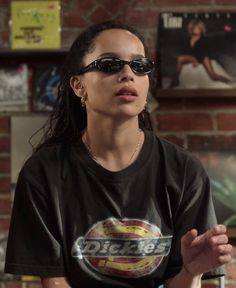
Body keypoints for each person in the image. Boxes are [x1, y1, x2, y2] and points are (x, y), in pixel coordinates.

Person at [4, 21, 232, 288]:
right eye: (109, 65)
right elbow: (55, 282)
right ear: (78, 86)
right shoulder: (44, 172)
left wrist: (191, 272)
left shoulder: (183, 170)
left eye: (139, 65)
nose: (127, 73)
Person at [170, 19, 231, 88]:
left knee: (213, 76)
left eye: (198, 28)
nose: (196, 30)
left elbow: (205, 52)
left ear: (201, 29)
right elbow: (187, 51)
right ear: (192, 29)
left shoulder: (203, 40)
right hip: (193, 57)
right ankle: (175, 81)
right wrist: (193, 60)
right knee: (180, 59)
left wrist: (198, 62)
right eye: (195, 28)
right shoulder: (188, 39)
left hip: (204, 57)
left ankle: (228, 81)